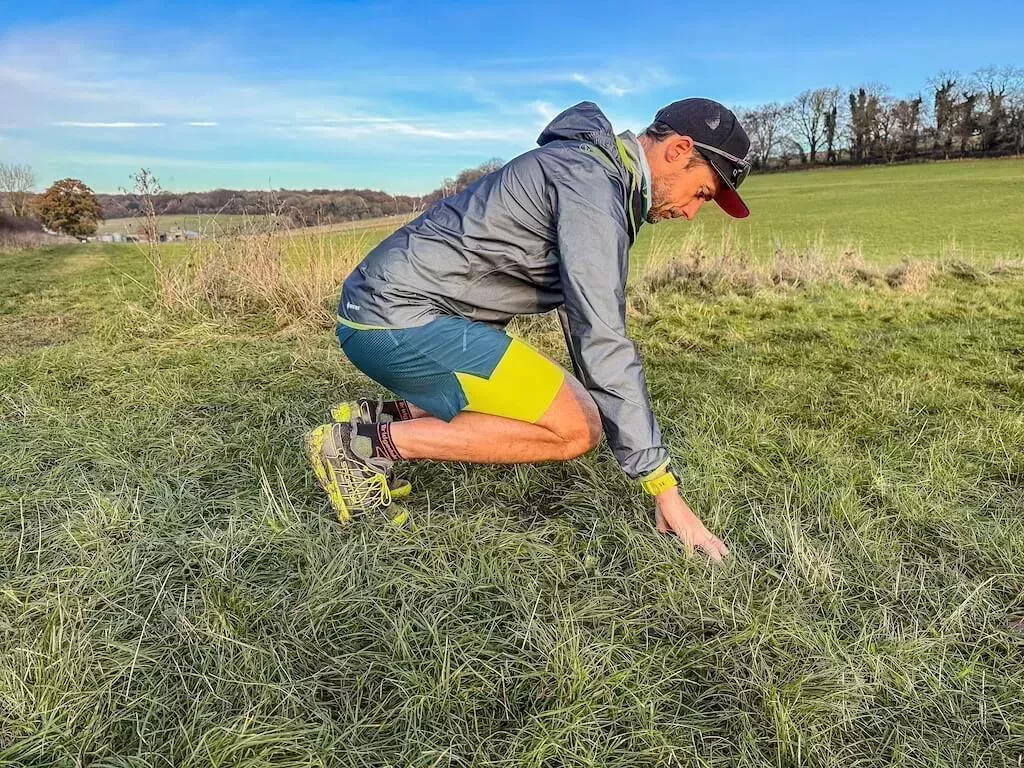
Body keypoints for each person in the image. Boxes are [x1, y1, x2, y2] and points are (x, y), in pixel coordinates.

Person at [308, 98, 751, 560]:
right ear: (678, 150)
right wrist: (663, 488)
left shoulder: (591, 174)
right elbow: (601, 336)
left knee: (562, 400)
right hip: (394, 319)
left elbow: (574, 318)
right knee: (578, 427)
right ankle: (360, 447)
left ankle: (383, 417)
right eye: (702, 193)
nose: (692, 212)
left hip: (387, 312)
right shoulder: (591, 188)